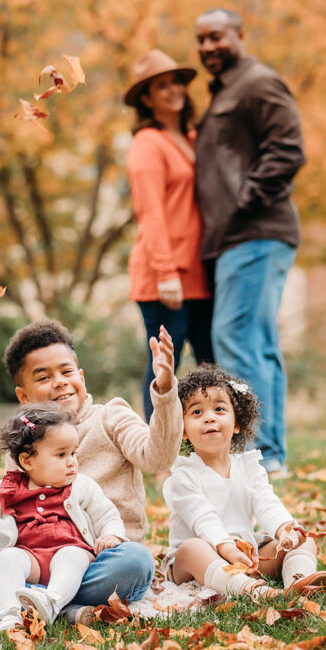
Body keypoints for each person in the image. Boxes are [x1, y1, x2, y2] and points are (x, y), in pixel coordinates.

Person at [0, 319, 182, 623]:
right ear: (24, 397)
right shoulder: (25, 442)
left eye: (66, 372)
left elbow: (158, 458)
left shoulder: (112, 417)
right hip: (34, 560)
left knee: (137, 561)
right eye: (44, 377)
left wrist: (166, 390)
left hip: (101, 559)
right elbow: (6, 507)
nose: (60, 381)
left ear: (81, 376)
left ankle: (14, 598)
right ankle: (58, 607)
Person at [193, 7, 306, 475]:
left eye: (216, 37)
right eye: (200, 41)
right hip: (239, 237)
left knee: (237, 338)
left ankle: (258, 454)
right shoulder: (226, 92)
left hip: (255, 232)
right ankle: (270, 452)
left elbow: (288, 149)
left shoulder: (257, 83)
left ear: (240, 35)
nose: (207, 48)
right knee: (254, 342)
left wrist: (244, 202)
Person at [162, 364, 326, 596]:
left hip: (245, 551)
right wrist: (226, 548)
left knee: (305, 540)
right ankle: (248, 588)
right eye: (197, 412)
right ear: (182, 430)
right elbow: (202, 518)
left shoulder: (249, 466)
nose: (209, 418)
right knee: (194, 548)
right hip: (196, 559)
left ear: (237, 423)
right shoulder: (183, 474)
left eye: (219, 409)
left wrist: (284, 529)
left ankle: (299, 581)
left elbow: (266, 502)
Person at [0, 403, 126, 633]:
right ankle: (10, 615)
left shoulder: (81, 486)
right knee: (8, 557)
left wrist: (111, 534)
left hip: (73, 552)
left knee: (69, 556)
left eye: (73, 453)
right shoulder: (7, 488)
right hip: (32, 560)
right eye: (61, 455)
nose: (72, 462)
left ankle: (51, 602)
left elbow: (107, 514)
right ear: (27, 461)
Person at [124, 49, 214, 423]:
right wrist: (165, 272)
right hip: (166, 279)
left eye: (176, 81)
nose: (173, 90)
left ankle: (217, 450)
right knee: (164, 370)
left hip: (201, 273)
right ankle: (159, 456)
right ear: (147, 97)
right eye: (162, 85)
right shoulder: (148, 143)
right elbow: (151, 212)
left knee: (212, 364)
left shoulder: (192, 139)